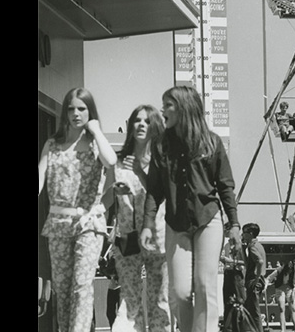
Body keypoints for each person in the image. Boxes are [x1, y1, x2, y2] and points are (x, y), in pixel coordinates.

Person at [141, 85, 242, 332]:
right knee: (180, 291)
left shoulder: (211, 142)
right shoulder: (160, 146)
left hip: (208, 220)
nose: (162, 110)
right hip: (176, 222)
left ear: (184, 108)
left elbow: (225, 186)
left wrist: (235, 224)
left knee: (205, 285)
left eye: (168, 105)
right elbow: (155, 190)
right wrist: (147, 223)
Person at [38, 87, 118, 332]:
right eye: (71, 108)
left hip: (88, 224)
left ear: (90, 111)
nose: (75, 113)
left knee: (82, 287)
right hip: (58, 224)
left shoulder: (96, 144)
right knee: (63, 291)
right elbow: (40, 176)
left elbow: (112, 161)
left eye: (82, 108)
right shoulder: (53, 145)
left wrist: (94, 130)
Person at [105, 104, 170, 332]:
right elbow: (104, 197)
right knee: (129, 302)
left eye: (147, 121)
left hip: (157, 238)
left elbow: (162, 197)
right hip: (127, 238)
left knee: (158, 303)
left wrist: (141, 175)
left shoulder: (162, 162)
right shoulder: (118, 162)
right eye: (137, 120)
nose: (142, 124)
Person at [242, 222, 268, 332]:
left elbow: (260, 261)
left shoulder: (252, 247)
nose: (242, 235)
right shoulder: (258, 245)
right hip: (259, 279)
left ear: (251, 234)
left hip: (254, 279)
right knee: (251, 309)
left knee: (254, 311)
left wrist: (256, 279)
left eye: (244, 233)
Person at [220, 220, 246, 321]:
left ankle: (243, 322)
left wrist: (230, 261)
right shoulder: (226, 245)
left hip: (237, 273)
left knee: (240, 299)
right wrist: (224, 261)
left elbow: (244, 262)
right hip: (228, 272)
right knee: (227, 300)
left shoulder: (240, 245)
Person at [266, 259, 295, 332]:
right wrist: (265, 285)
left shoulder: (294, 270)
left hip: (290, 289)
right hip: (279, 288)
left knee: (293, 309)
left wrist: (294, 290)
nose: (289, 271)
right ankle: (283, 330)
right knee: (282, 309)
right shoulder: (279, 270)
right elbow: (269, 277)